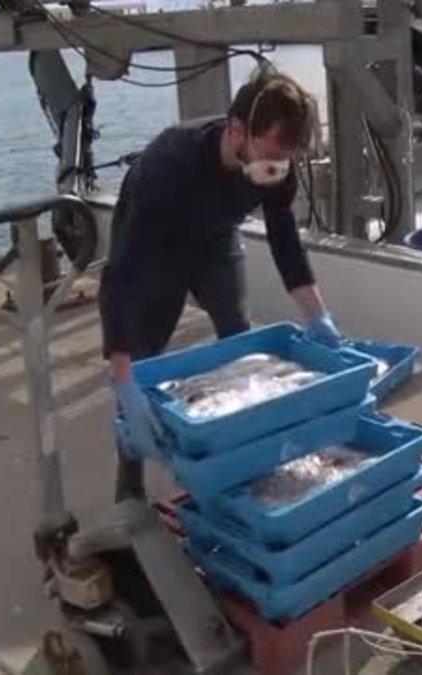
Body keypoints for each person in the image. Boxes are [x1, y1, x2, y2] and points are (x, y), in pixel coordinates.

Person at [100, 68, 340, 500]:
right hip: (158, 249)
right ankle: (129, 476)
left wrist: (317, 314)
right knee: (140, 360)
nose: (278, 168)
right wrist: (122, 378)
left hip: (216, 240)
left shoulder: (276, 165)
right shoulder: (168, 165)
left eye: (285, 159)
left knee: (239, 337)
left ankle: (242, 453)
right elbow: (121, 273)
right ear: (236, 132)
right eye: (269, 154)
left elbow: (286, 243)